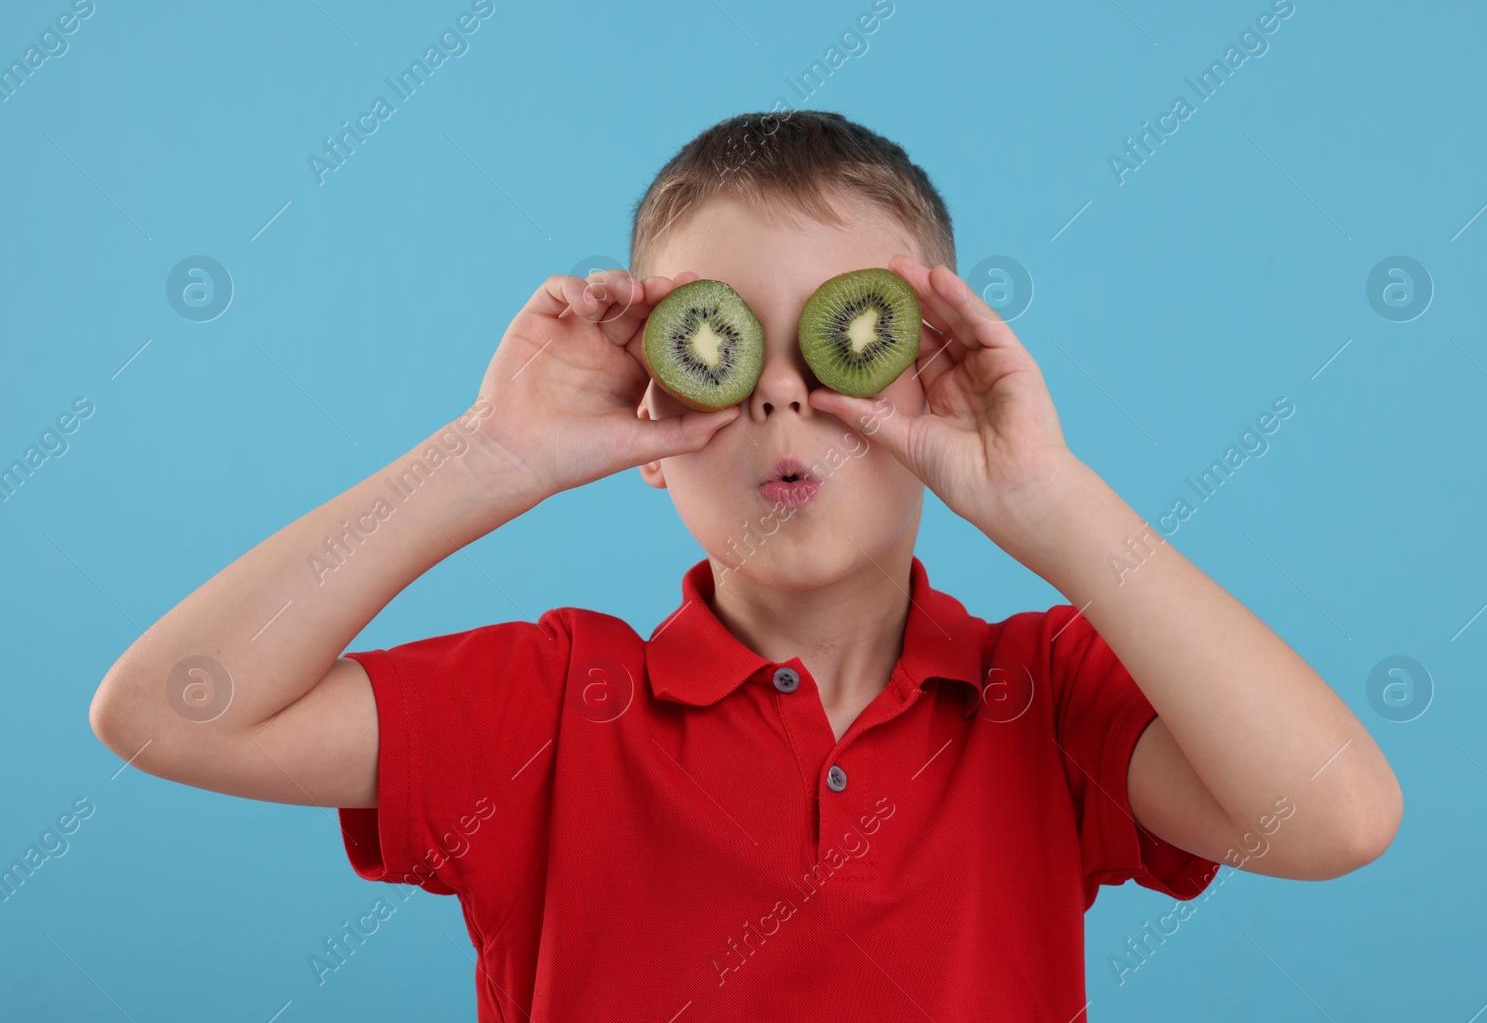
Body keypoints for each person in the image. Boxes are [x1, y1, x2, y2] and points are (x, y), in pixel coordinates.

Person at [89, 110, 1402, 1020]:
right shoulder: (547, 709)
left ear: (931, 377)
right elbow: (164, 712)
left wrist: (1050, 502)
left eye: (843, 344)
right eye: (722, 344)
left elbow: (1341, 820)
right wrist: (489, 456)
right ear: (651, 430)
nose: (782, 395)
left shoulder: (1045, 699)